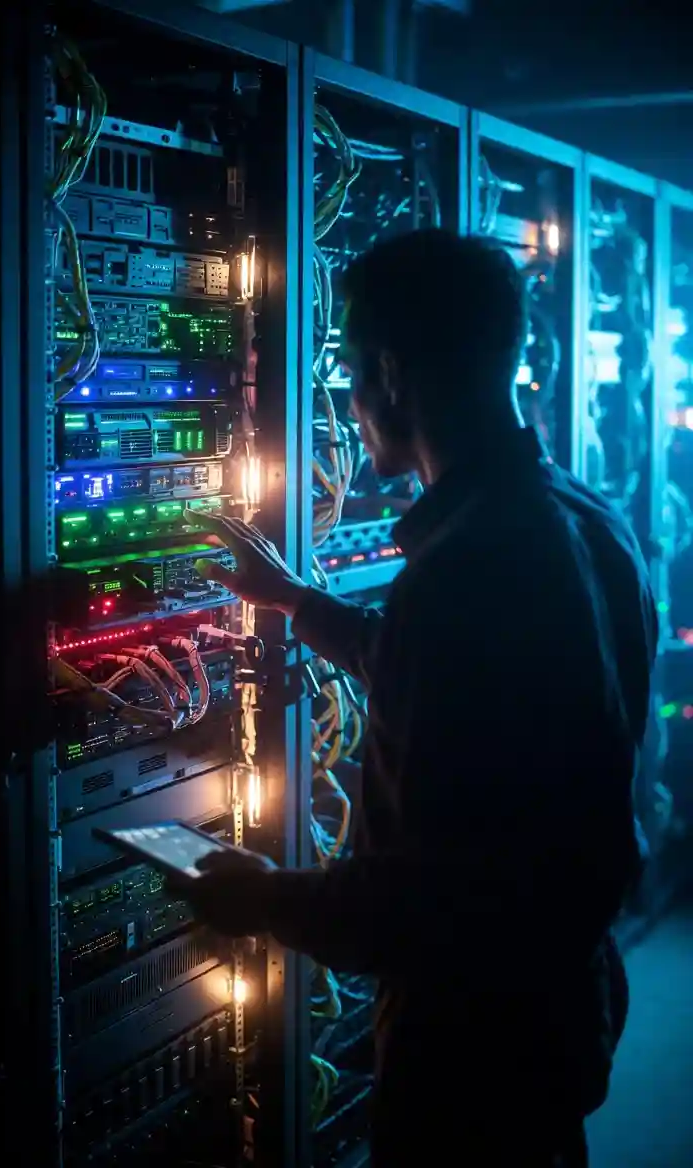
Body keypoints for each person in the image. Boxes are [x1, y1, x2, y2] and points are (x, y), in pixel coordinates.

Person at [182, 228, 656, 1166]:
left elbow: (412, 903)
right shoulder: (586, 520)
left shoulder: (460, 575)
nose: (352, 405)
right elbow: (469, 687)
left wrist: (260, 895)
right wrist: (296, 603)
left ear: (393, 374)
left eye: (353, 374)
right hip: (560, 1006)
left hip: (466, 1043)